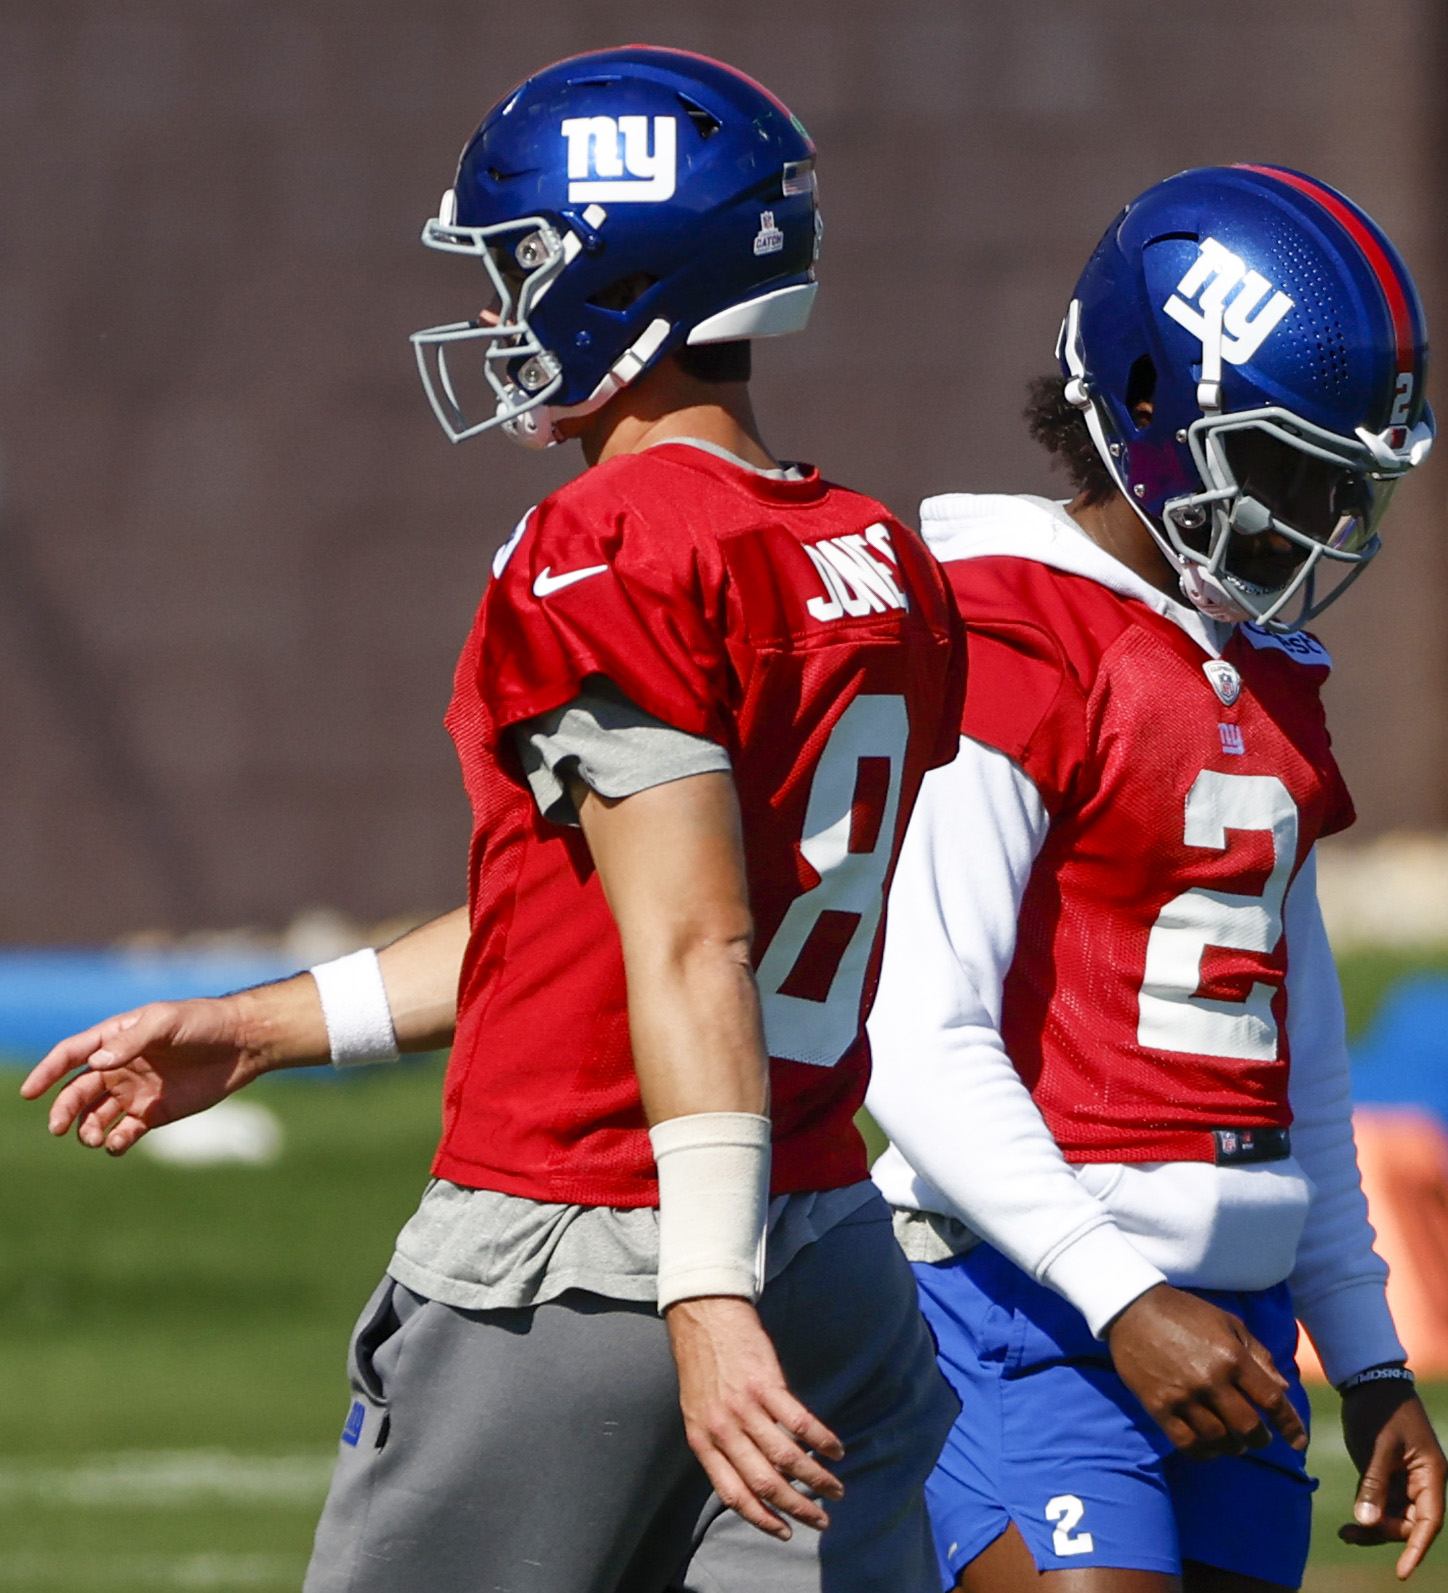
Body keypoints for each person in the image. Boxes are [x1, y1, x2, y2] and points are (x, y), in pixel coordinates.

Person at [22, 47, 966, 1593]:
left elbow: (690, 937)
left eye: (519, 268)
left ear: (627, 274)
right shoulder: (871, 552)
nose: (493, 312)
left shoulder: (610, 542)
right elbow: (592, 920)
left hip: (599, 1254)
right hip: (824, 1239)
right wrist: (264, 1026)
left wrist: (702, 1290)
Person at [864, 164, 1446, 1593]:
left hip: (1234, 1321)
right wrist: (1121, 1294)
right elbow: (913, 1035)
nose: (1324, 515)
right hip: (1024, 1304)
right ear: (1148, 408)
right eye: (1295, 464)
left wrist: (1365, 1350)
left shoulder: (1252, 671)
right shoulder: (1009, 633)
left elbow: (1293, 1062)